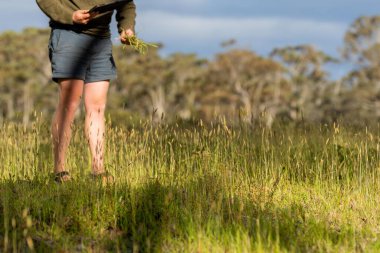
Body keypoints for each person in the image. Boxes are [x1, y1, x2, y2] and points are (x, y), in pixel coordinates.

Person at [36, 0, 136, 183]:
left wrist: (126, 28)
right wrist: (70, 15)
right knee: (69, 103)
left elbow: (126, 4)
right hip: (69, 35)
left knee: (97, 106)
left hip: (101, 39)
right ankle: (60, 171)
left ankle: (98, 171)